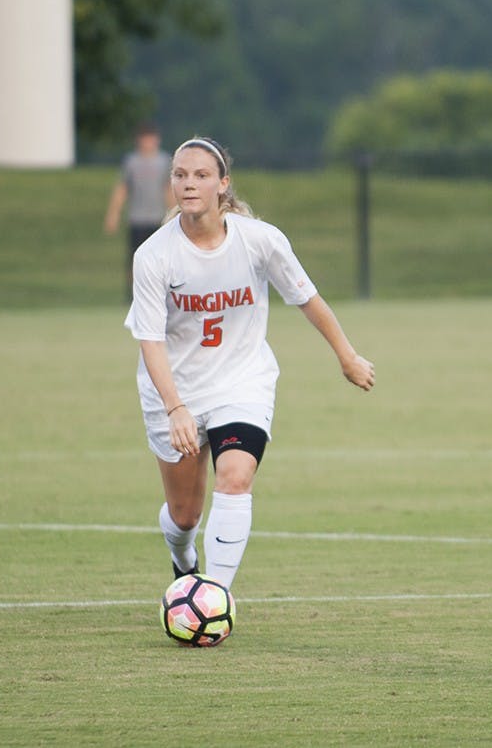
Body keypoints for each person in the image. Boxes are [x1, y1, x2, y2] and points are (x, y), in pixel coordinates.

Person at [124, 136, 375, 590]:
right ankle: (184, 561)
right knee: (185, 516)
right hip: (174, 391)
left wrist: (347, 355)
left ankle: (214, 597)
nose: (188, 184)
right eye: (180, 175)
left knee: (235, 478)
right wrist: (175, 407)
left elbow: (308, 299)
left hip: (241, 383)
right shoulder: (153, 256)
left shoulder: (260, 240)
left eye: (201, 175)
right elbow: (150, 340)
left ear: (223, 184)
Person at [104, 122, 176, 300]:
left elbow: (168, 188)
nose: (148, 143)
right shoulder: (132, 162)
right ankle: (133, 295)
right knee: (135, 259)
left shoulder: (164, 161)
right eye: (144, 139)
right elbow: (122, 189)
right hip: (137, 218)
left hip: (158, 218)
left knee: (161, 260)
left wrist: (174, 214)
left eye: (151, 139)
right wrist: (113, 214)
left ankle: (161, 293)